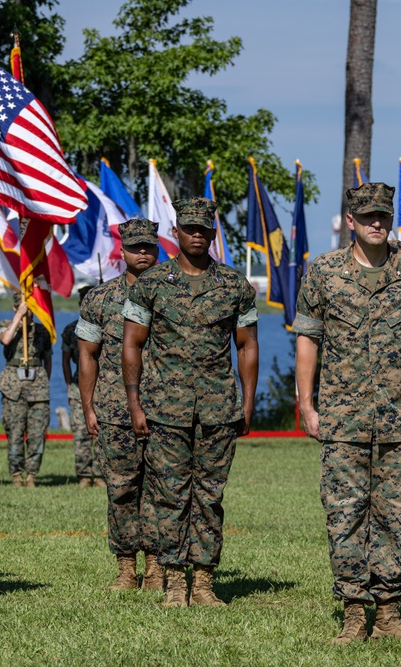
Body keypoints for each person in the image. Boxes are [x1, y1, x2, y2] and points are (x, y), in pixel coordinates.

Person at [294, 182, 401, 643]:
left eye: (383, 216)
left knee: (397, 517)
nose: (376, 223)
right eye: (368, 217)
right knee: (344, 515)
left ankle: (389, 612)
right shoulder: (323, 272)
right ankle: (354, 611)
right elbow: (307, 338)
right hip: (343, 419)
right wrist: (305, 402)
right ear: (352, 221)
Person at [122, 199, 258, 608]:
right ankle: (175, 583)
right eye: (189, 228)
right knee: (169, 495)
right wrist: (134, 403)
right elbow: (132, 344)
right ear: (176, 232)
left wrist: (247, 405)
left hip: (218, 409)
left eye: (204, 228)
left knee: (210, 496)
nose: (197, 234)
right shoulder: (152, 283)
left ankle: (203, 583)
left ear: (213, 232)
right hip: (165, 409)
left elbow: (247, 346)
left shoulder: (235, 286)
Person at [77, 219, 161, 591]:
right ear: (122, 251)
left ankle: (158, 567)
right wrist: (88, 406)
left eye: (148, 247)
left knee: (162, 489)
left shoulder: (171, 292)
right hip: (114, 409)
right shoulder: (99, 298)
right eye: (135, 247)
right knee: (122, 489)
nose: (142, 253)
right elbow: (87, 356)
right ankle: (126, 568)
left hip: (164, 407)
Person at [0, 293, 52, 488]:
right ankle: (16, 474)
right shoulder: (7, 324)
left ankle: (32, 474)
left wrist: (43, 380)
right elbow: (5, 340)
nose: (27, 312)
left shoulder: (41, 330)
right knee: (15, 432)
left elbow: (48, 358)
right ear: (15, 308)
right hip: (14, 388)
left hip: (38, 388)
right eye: (23, 308)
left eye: (30, 308)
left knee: (37, 434)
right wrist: (17, 318)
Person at [61, 286, 105, 489]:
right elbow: (65, 360)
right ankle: (84, 474)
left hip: (104, 388)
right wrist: (69, 385)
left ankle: (101, 474)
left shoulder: (107, 326)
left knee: (104, 433)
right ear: (80, 305)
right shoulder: (71, 329)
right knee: (80, 432)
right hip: (80, 387)